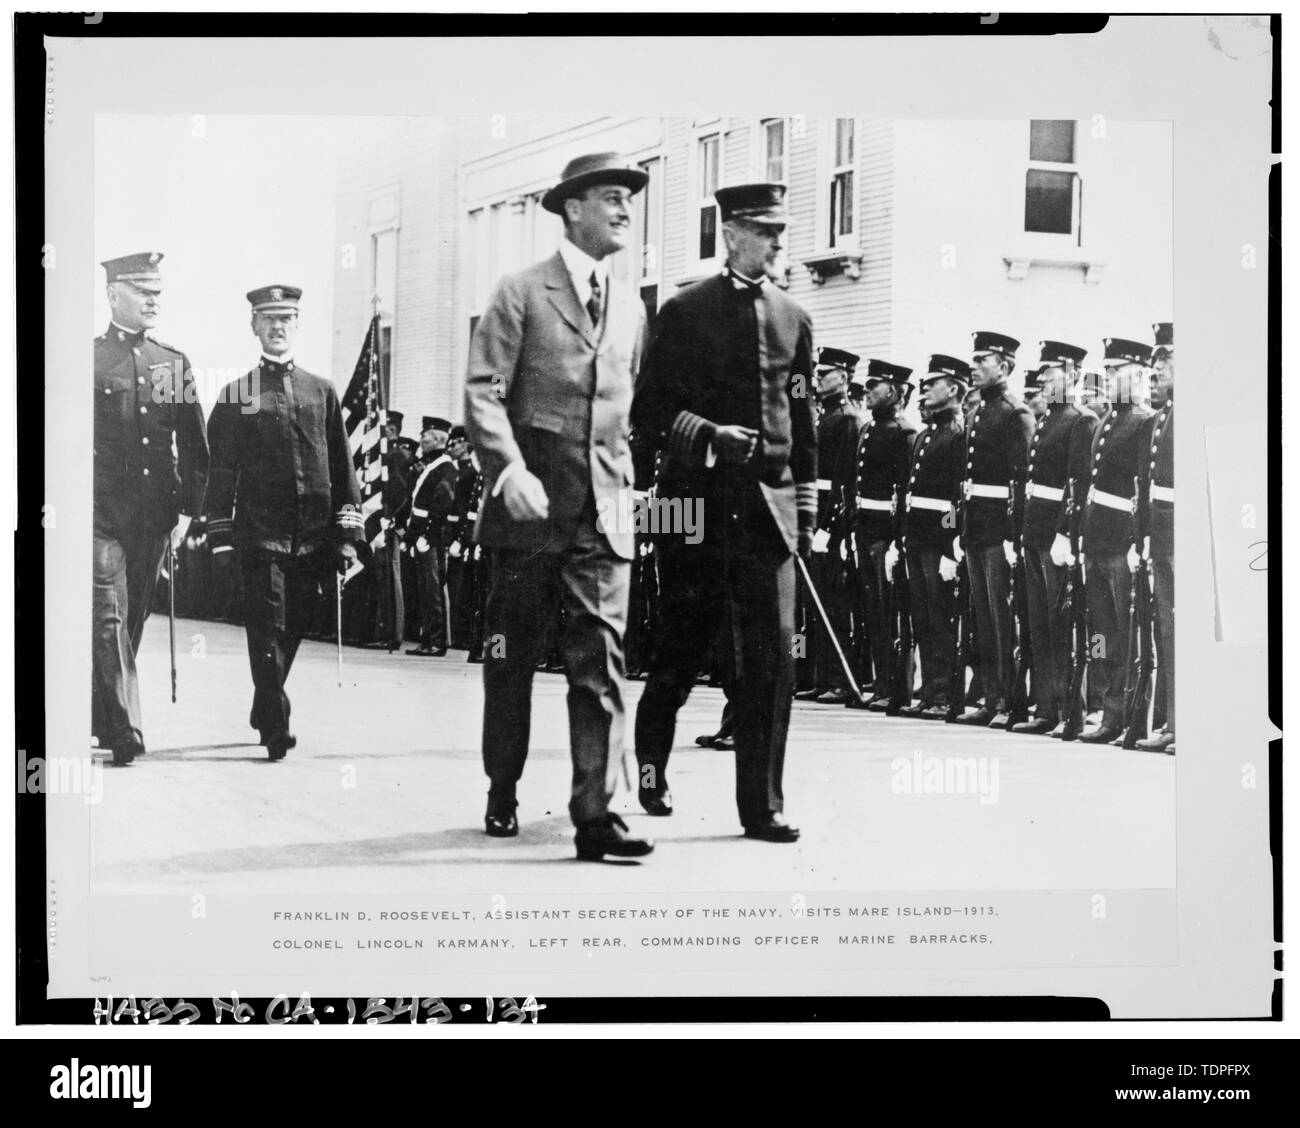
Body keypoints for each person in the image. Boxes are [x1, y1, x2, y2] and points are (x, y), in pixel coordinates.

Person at [464, 152, 653, 861]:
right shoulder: (520, 292)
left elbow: (625, 409)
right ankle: (503, 786)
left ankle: (595, 815)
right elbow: (482, 390)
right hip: (530, 512)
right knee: (510, 658)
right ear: (572, 208)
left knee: (599, 663)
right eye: (611, 197)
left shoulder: (632, 305)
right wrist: (506, 467)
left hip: (604, 515)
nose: (624, 210)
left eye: (630, 199)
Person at [631, 181, 817, 843]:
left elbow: (802, 420)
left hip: (768, 513)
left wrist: (806, 513)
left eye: (779, 232)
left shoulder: (794, 318)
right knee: (679, 651)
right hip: (695, 509)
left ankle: (762, 806)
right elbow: (648, 413)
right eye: (765, 231)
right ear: (732, 232)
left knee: (772, 664)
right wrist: (710, 435)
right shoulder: (684, 313)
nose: (776, 243)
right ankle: (649, 773)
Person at [205, 284, 364, 761]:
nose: (277, 327)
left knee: (295, 624)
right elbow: (222, 471)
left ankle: (264, 701)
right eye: (269, 319)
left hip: (313, 538)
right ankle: (277, 726)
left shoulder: (323, 391)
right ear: (254, 326)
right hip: (260, 535)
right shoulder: (239, 395)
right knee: (266, 626)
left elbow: (342, 465)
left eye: (287, 319)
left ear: (298, 325)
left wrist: (349, 534)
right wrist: (220, 533)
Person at [93, 252, 209, 765]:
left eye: (157, 292)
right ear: (114, 294)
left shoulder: (172, 363)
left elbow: (195, 446)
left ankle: (103, 709)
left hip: (155, 517)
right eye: (143, 291)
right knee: (109, 615)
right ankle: (126, 729)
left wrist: (187, 513)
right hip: (100, 515)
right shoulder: (87, 359)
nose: (153, 300)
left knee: (132, 617)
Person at [1012, 341, 1098, 737]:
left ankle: (1069, 710)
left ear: (1075, 375)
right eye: (1043, 372)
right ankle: (1046, 708)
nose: (1044, 378)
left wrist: (1066, 531)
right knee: (1039, 625)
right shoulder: (1048, 419)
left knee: (1060, 626)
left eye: (1052, 371)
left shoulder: (1080, 421)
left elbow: (1078, 483)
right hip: (1034, 531)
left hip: (1054, 536)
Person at [953, 331, 1034, 727]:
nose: (973, 365)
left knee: (1001, 618)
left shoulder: (1014, 413)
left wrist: (1011, 535)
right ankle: (989, 696)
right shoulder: (976, 413)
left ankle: (1005, 701)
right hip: (974, 526)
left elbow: (1020, 480)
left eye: (981, 359)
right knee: (982, 615)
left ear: (1003, 366)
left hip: (998, 529)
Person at [1076, 337, 1154, 744]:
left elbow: (1140, 488)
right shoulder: (1108, 419)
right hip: (1096, 541)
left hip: (1120, 542)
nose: (1106, 377)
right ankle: (1106, 710)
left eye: (1115, 371)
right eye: (1105, 371)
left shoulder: (1143, 421)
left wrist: (1135, 541)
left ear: (1137, 375)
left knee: (1124, 633)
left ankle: (1125, 714)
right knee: (1100, 632)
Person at [898, 355, 969, 720]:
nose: (924, 390)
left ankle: (942, 693)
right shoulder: (926, 435)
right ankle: (929, 690)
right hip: (917, 538)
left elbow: (956, 497)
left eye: (933, 383)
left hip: (936, 541)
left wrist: (948, 547)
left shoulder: (957, 434)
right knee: (922, 616)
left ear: (954, 389)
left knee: (940, 618)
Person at [847, 359, 916, 711]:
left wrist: (896, 542)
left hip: (884, 535)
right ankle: (880, 684)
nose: (868, 391)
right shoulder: (868, 429)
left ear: (892, 390)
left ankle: (895, 688)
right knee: (872, 612)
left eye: (874, 385)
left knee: (890, 615)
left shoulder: (902, 433)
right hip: (865, 530)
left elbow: (904, 492)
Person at [794, 347, 861, 705]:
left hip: (829, 526)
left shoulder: (849, 420)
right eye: (818, 373)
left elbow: (844, 480)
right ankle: (814, 674)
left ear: (844, 378)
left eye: (826, 373)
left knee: (833, 606)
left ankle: (838, 678)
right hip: (811, 520)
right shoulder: (823, 417)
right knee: (809, 606)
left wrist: (830, 528)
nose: (818, 379)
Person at [1134, 322, 1175, 754]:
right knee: (1166, 633)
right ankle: (1171, 722)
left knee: (1180, 632)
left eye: (1166, 360)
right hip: (1161, 541)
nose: (1157, 368)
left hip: (1180, 540)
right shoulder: (1164, 416)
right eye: (1156, 360)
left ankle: (1183, 722)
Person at [405, 416, 457, 657]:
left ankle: (436, 641)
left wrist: (427, 534)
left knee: (432, 589)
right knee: (426, 589)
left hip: (431, 538)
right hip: (422, 537)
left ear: (437, 438)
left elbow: (441, 504)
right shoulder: (432, 465)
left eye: (425, 435)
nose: (421, 439)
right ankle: (428, 640)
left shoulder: (445, 467)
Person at [375, 410, 413, 650]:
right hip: (385, 520)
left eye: (387, 429)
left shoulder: (396, 456)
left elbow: (400, 491)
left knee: (392, 577)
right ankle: (385, 630)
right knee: (384, 578)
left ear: (393, 429)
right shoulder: (385, 454)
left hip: (392, 523)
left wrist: (392, 519)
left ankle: (394, 633)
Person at [443, 425, 477, 649]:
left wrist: (463, 540)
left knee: (463, 589)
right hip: (451, 534)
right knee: (455, 588)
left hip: (462, 538)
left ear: (466, 444)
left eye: (455, 443)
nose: (451, 447)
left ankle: (463, 636)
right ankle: (456, 634)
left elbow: (468, 510)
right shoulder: (455, 471)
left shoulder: (470, 473)